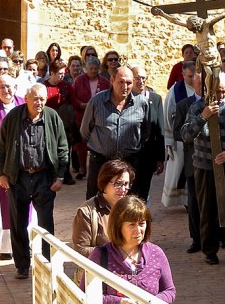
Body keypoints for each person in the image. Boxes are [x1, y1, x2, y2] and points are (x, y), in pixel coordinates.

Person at [0, 83, 70, 278]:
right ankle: (22, 266)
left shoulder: (52, 117)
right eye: (35, 98)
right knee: (18, 224)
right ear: (26, 98)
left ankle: (47, 264)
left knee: (46, 223)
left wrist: (60, 176)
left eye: (42, 99)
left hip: (43, 177)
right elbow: (0, 148)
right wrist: (2, 173)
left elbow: (63, 147)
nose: (39, 103)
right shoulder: (13, 117)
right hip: (17, 177)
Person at [180, 70, 225, 267]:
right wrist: (203, 116)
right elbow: (185, 135)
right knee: (207, 209)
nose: (219, 96)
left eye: (222, 91)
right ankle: (209, 250)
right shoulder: (196, 108)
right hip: (203, 166)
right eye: (216, 91)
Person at [86, 195, 175, 304]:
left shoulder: (156, 253)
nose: (138, 230)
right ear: (118, 226)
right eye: (131, 225)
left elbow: (170, 291)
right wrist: (118, 303)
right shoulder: (101, 256)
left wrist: (151, 303)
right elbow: (85, 295)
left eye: (142, 223)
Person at [79, 65, 152, 200]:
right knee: (96, 201)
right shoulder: (97, 101)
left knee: (128, 204)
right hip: (101, 162)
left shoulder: (142, 103)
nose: (125, 86)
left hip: (129, 162)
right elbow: (85, 131)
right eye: (121, 82)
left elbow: (145, 132)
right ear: (112, 80)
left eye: (129, 83)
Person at [72, 158, 134, 258]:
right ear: (104, 183)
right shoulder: (87, 212)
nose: (123, 189)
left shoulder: (131, 208)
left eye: (126, 184)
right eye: (118, 183)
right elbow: (80, 250)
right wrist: (116, 251)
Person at [0, 73, 26, 259]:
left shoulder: (24, 104)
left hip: (24, 166)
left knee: (24, 206)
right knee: (1, 207)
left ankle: (24, 244)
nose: (6, 90)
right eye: (2, 87)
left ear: (15, 86)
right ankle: (5, 247)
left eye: (9, 86)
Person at [172, 73, 204, 253]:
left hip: (214, 161)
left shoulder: (216, 104)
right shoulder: (184, 105)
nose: (203, 87)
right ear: (193, 84)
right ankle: (196, 238)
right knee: (194, 201)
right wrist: (193, 132)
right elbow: (177, 132)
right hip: (193, 159)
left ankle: (219, 236)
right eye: (199, 83)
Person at [161, 61, 197, 209]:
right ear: (182, 74)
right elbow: (168, 115)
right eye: (190, 76)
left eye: (195, 75)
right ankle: (184, 200)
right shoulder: (175, 91)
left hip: (198, 139)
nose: (193, 79)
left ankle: (193, 200)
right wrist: (169, 139)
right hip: (180, 139)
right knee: (181, 170)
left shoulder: (202, 87)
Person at [129, 63, 166, 202]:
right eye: (137, 78)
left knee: (144, 189)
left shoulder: (155, 99)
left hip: (148, 154)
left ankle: (141, 216)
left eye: (144, 78)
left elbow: (160, 129)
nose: (141, 81)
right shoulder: (126, 99)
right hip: (131, 154)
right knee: (131, 188)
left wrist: (160, 158)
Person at [69, 57, 110, 182]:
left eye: (95, 69)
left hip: (99, 116)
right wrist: (81, 104)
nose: (93, 71)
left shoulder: (104, 82)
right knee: (81, 144)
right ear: (86, 69)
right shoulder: (79, 81)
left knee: (98, 143)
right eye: (91, 69)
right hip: (82, 115)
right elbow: (73, 96)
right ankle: (82, 169)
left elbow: (109, 96)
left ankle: (99, 170)